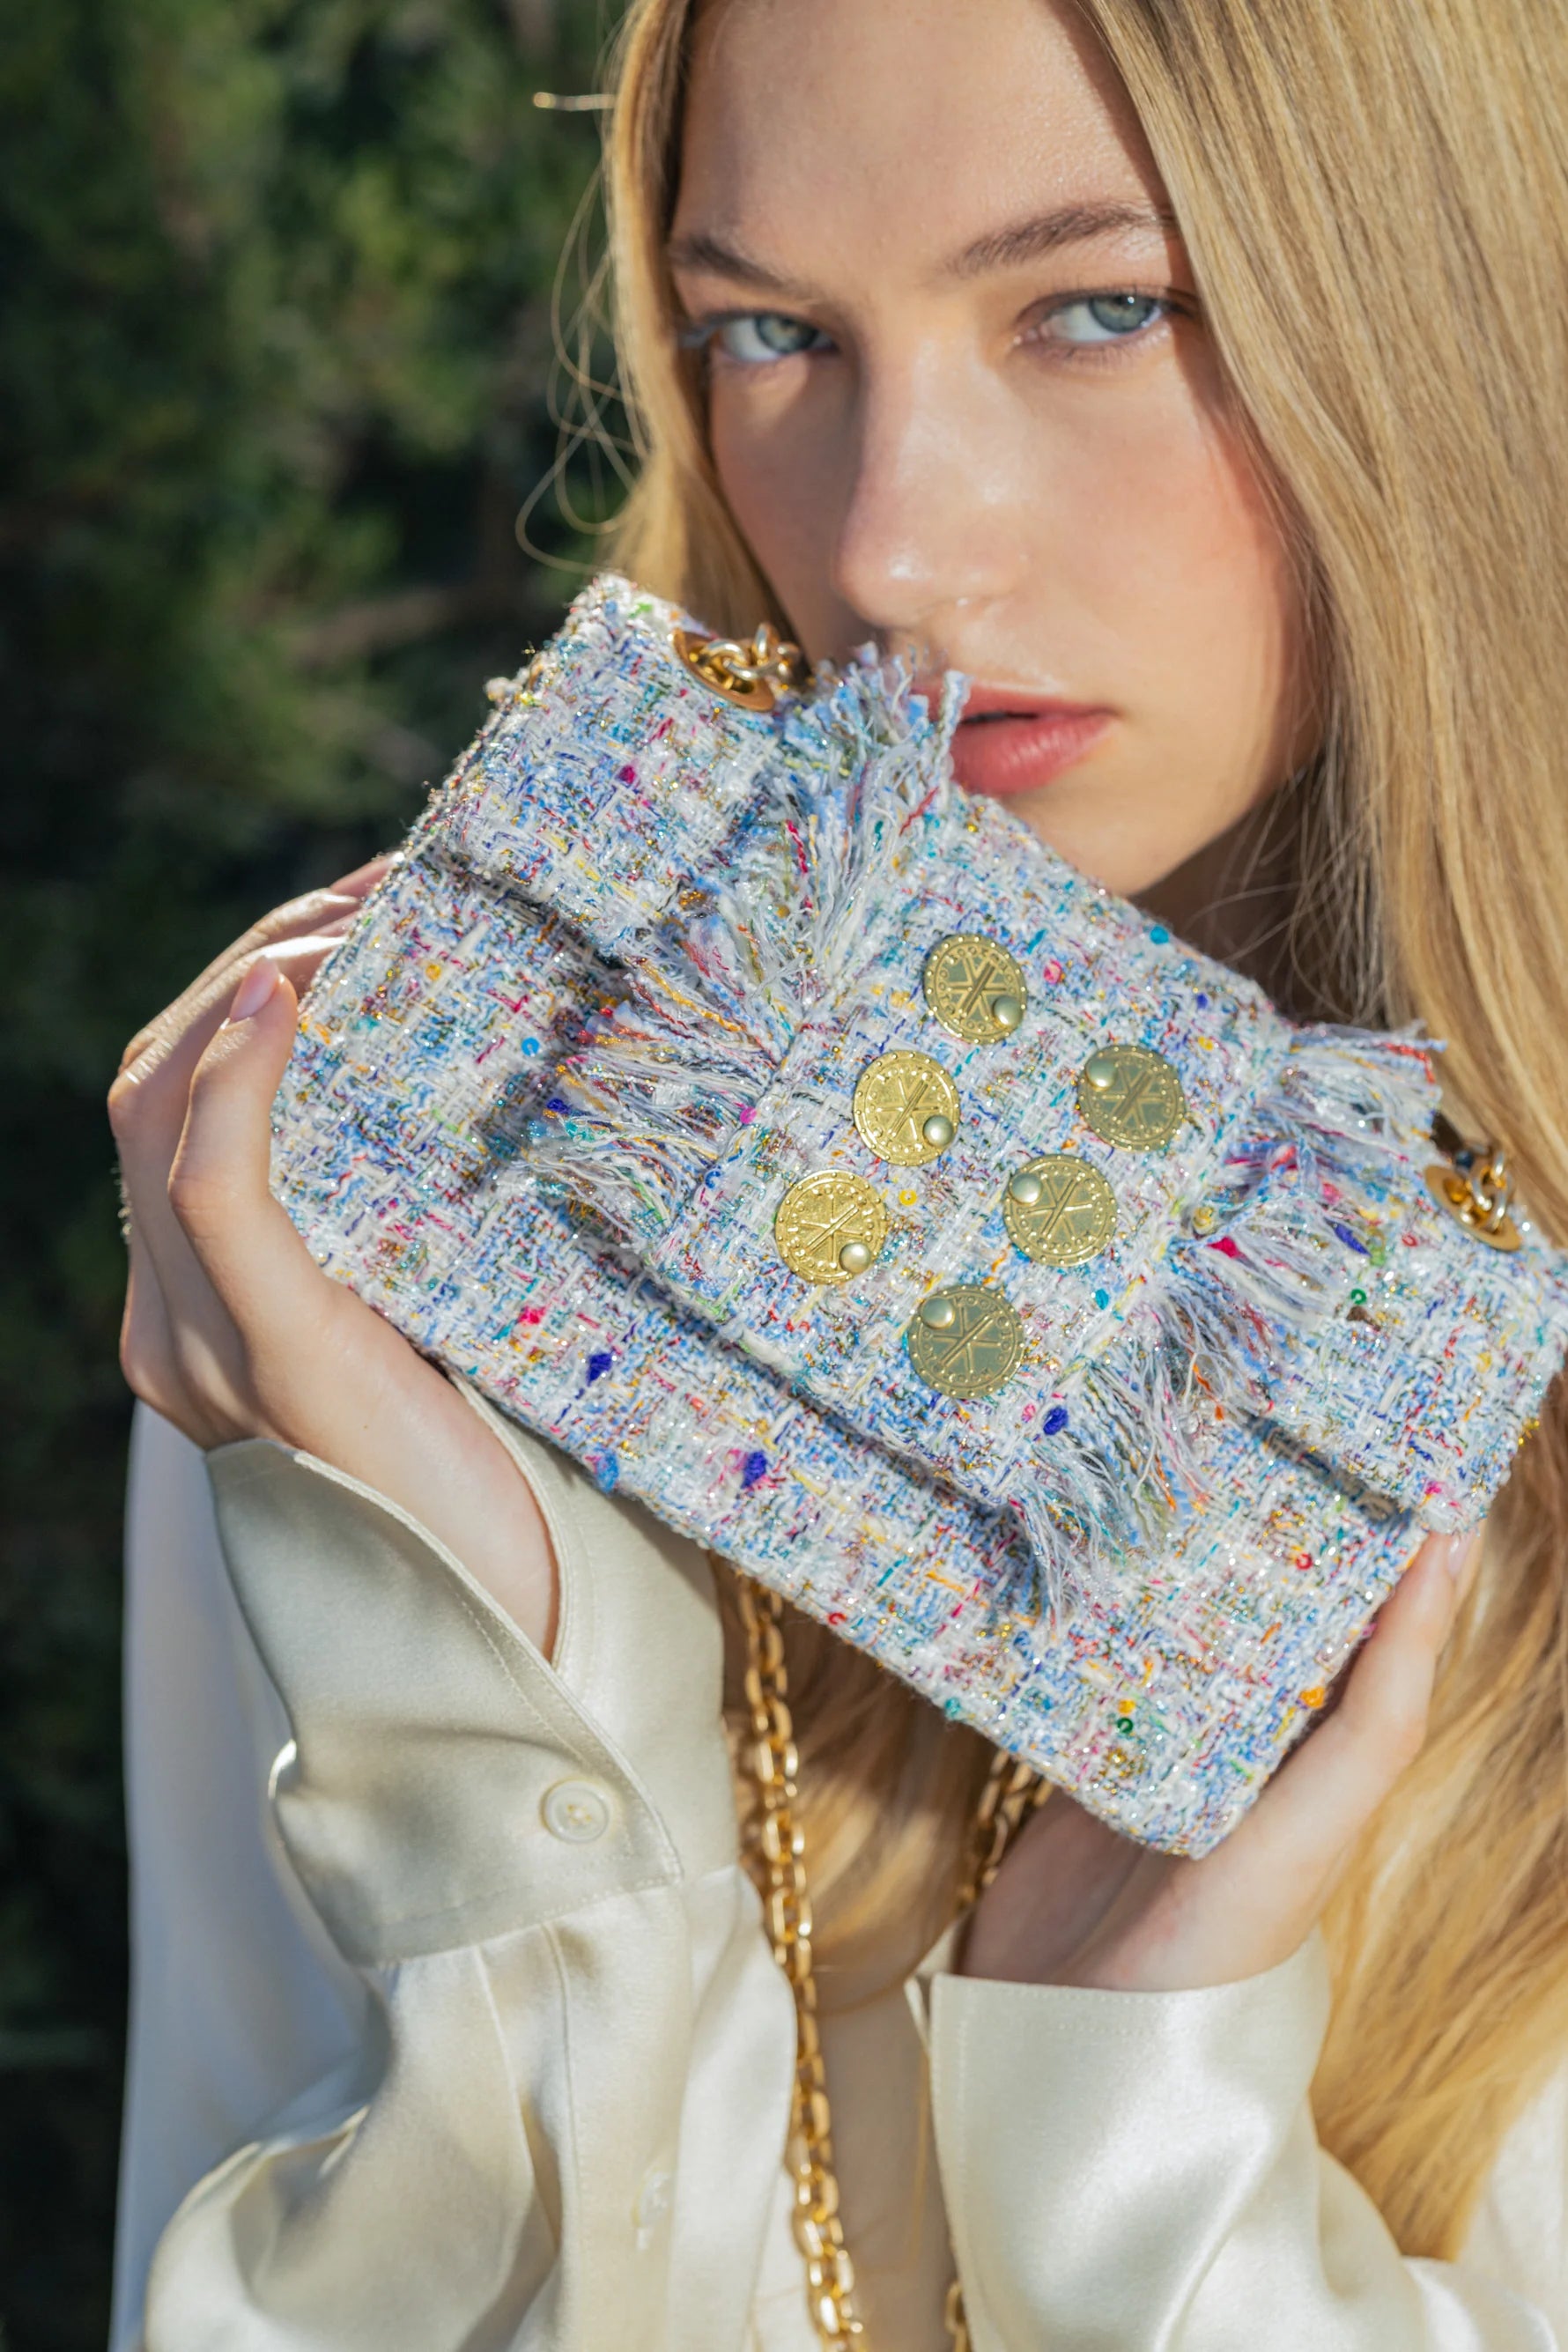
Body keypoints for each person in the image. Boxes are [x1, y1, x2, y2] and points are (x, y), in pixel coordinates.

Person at [107, 0, 1568, 2344]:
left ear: (1447, 307)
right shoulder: (370, 1301)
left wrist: (1132, 2140)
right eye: (768, 335)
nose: (889, 547)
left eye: (1100, 307)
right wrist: (513, 1765)